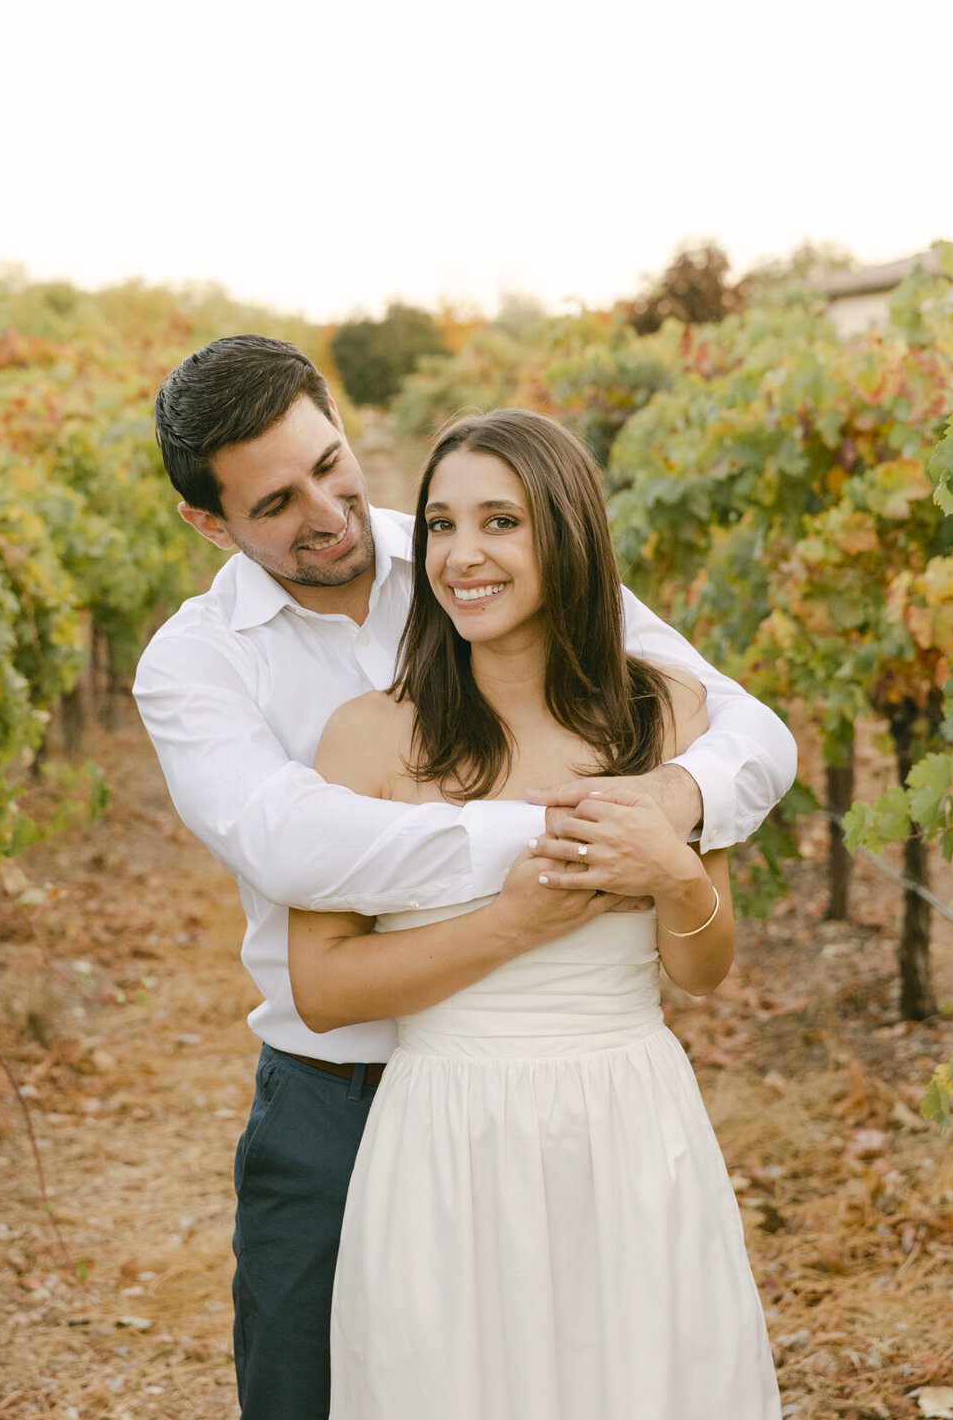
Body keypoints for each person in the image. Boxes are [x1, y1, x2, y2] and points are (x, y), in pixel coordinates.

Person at [133, 335, 796, 1420]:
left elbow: (745, 731)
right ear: (212, 524)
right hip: (346, 1102)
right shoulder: (197, 663)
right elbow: (296, 844)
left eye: (330, 463)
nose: (327, 511)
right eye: (276, 503)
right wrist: (554, 854)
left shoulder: (486, 545)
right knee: (318, 1391)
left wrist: (669, 814)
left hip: (600, 1106)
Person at [287, 408, 782, 1419]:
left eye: (499, 523)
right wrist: (516, 920)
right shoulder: (369, 740)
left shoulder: (669, 715)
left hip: (629, 1121)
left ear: (567, 533)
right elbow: (323, 988)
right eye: (438, 525)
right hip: (445, 1133)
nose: (461, 556)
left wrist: (679, 878)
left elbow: (701, 970)